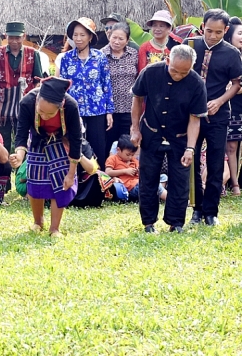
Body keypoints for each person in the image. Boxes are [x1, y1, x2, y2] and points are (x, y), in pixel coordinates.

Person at [130, 45, 207, 232]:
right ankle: (148, 223)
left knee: (180, 180)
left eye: (184, 72)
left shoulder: (197, 83)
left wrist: (190, 148)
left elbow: (194, 119)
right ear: (167, 61)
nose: (178, 76)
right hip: (151, 132)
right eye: (174, 70)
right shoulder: (150, 72)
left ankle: (176, 223)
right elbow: (137, 99)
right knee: (148, 178)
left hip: (180, 137)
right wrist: (135, 129)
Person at [184, 9, 242, 225]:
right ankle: (196, 210)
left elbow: (237, 84)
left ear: (226, 30)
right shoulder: (190, 45)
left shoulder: (231, 53)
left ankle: (211, 213)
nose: (213, 36)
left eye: (219, 32)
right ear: (202, 27)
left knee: (216, 163)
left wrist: (219, 101)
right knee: (192, 162)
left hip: (218, 115)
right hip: (191, 116)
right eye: (209, 31)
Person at [10, 77, 83, 237]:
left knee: (61, 183)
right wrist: (20, 155)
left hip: (62, 141)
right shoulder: (27, 102)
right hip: (38, 140)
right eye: (40, 111)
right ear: (37, 101)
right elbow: (21, 133)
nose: (43, 116)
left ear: (60, 106)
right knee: (36, 180)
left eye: (49, 113)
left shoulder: (71, 106)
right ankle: (38, 221)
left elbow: (76, 140)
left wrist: (71, 174)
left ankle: (55, 228)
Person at [58, 17, 114, 168]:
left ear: (90, 37)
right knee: (76, 148)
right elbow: (63, 87)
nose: (78, 38)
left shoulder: (100, 57)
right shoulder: (66, 59)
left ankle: (100, 186)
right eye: (75, 35)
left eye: (82, 35)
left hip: (97, 110)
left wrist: (109, 111)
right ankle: (77, 186)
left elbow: (106, 84)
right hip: (74, 110)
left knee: (98, 148)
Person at [0, 21, 43, 152]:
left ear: (24, 36)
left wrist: (36, 103)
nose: (14, 41)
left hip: (25, 102)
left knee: (23, 139)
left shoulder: (33, 53)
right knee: (2, 138)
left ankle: (21, 169)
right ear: (5, 36)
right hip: (3, 105)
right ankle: (4, 168)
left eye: (17, 37)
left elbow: (37, 81)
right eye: (11, 37)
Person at [101, 22, 139, 156]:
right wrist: (107, 110)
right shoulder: (101, 55)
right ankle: (103, 174)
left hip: (130, 109)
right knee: (105, 145)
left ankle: (126, 175)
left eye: (121, 39)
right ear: (109, 36)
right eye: (114, 37)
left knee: (128, 147)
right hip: (108, 111)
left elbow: (139, 78)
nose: (116, 41)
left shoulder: (134, 54)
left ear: (127, 40)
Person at [106, 135, 167, 202]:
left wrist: (138, 171)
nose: (130, 157)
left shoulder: (133, 160)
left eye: (132, 155)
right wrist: (125, 171)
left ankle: (159, 196)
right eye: (127, 154)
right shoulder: (112, 159)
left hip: (139, 182)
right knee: (152, 184)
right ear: (118, 150)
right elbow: (107, 172)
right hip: (130, 187)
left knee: (161, 177)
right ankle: (167, 198)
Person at [224, 16, 242, 196]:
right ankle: (234, 184)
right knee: (231, 147)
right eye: (240, 33)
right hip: (231, 108)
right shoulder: (226, 55)